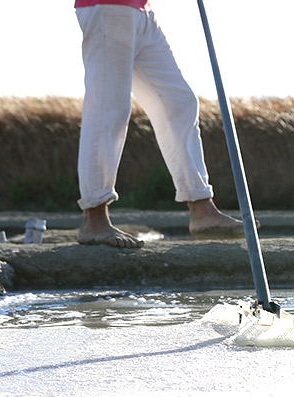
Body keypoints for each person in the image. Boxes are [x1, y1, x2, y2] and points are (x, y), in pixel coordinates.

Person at [74, 0, 245, 248]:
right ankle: (94, 217)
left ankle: (201, 207)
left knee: (179, 103)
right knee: (108, 108)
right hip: (108, 7)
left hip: (142, 11)